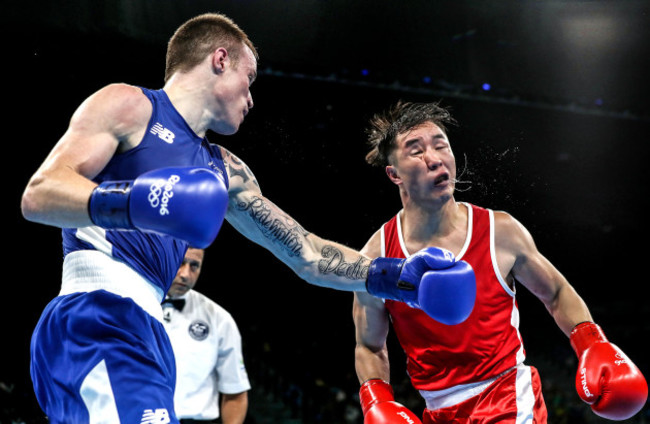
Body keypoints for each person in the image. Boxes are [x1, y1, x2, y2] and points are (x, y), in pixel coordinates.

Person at [20, 13, 476, 424]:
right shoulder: (132, 105)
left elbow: (307, 254)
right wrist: (140, 200)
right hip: (99, 314)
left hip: (144, 331)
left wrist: (397, 278)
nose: (252, 99)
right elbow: (39, 194)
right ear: (220, 59)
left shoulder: (225, 169)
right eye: (249, 77)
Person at [352, 101, 648, 424]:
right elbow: (369, 345)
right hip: (436, 413)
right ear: (394, 174)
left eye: (441, 146)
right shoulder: (376, 260)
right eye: (416, 151)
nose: (435, 159)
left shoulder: (499, 232)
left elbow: (557, 292)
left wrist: (592, 343)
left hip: (507, 397)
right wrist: (376, 400)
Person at [162, 247, 249, 424]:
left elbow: (235, 393)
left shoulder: (219, 319)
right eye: (180, 263)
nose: (185, 274)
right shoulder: (131, 307)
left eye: (194, 266)